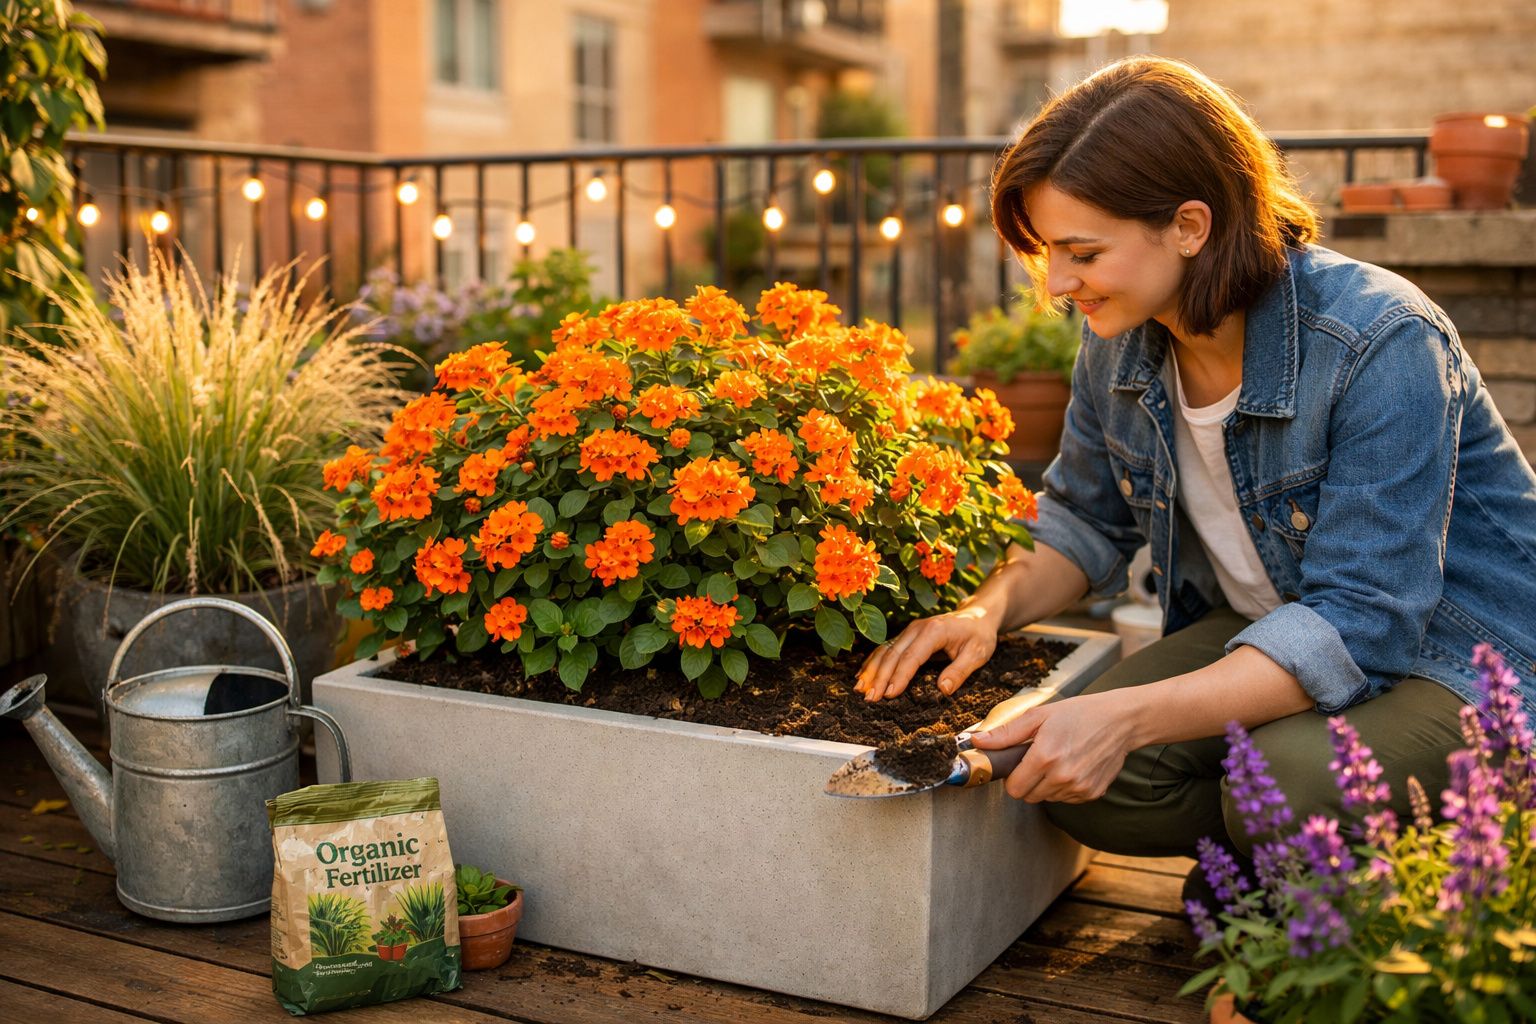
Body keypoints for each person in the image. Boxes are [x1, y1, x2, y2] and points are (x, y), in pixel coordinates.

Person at [855, 56, 1536, 877]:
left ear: (1189, 225)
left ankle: (1336, 901)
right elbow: (1080, 518)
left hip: (1464, 654)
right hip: (1274, 618)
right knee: (1072, 774)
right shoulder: (1121, 345)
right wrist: (985, 611)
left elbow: (1364, 619)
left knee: (1286, 777)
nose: (1059, 284)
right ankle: (1294, 868)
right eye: (1047, 253)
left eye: (1081, 251)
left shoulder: (1378, 340)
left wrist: (1131, 717)